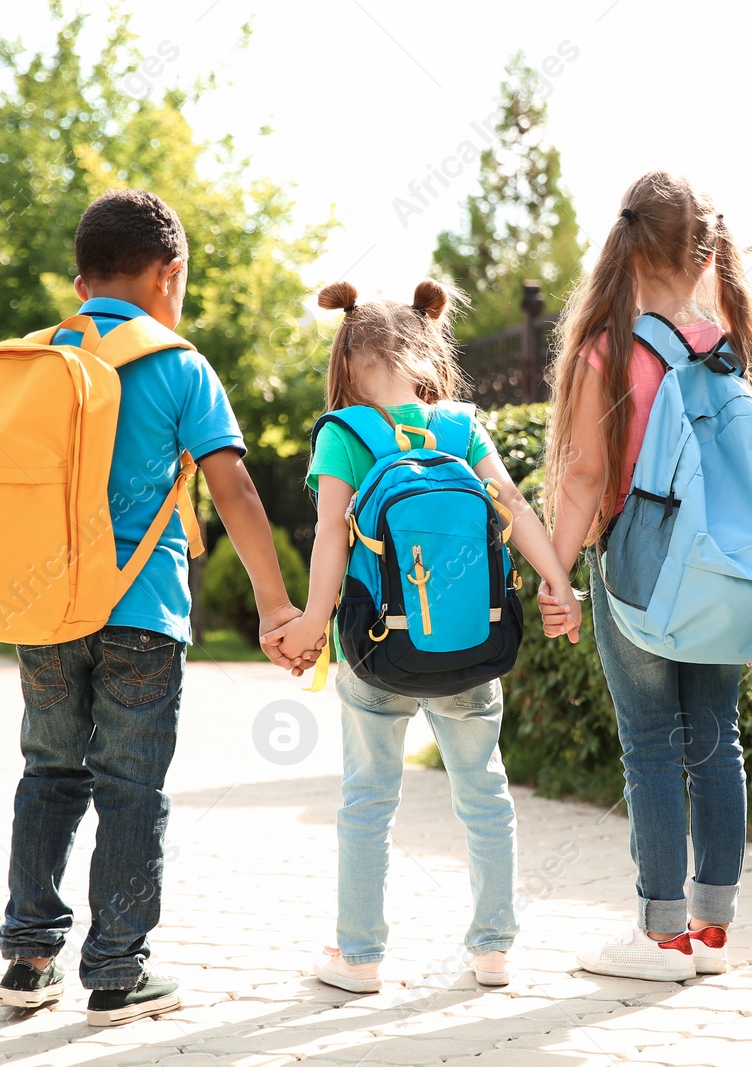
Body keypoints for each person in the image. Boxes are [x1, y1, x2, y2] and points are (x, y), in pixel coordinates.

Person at [0, 189, 309, 1025]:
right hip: (143, 614)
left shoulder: (37, 359)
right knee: (132, 786)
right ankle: (116, 972)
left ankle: (27, 957)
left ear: (79, 282)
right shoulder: (177, 364)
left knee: (48, 773)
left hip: (47, 612)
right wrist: (276, 605)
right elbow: (233, 487)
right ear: (171, 273)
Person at [267, 279, 580, 992]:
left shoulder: (344, 433)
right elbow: (514, 510)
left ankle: (359, 955)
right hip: (472, 645)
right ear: (428, 349)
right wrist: (557, 580)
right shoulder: (463, 427)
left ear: (346, 360)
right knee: (485, 793)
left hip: (376, 650)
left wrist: (313, 623)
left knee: (368, 798)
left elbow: (329, 540)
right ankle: (494, 948)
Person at [537, 171, 752, 982]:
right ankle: (714, 926)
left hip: (639, 576)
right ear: (707, 253)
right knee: (718, 741)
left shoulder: (608, 354)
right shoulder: (730, 350)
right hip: (723, 573)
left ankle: (661, 936)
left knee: (650, 746)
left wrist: (556, 576)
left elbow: (582, 477)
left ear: (627, 247)